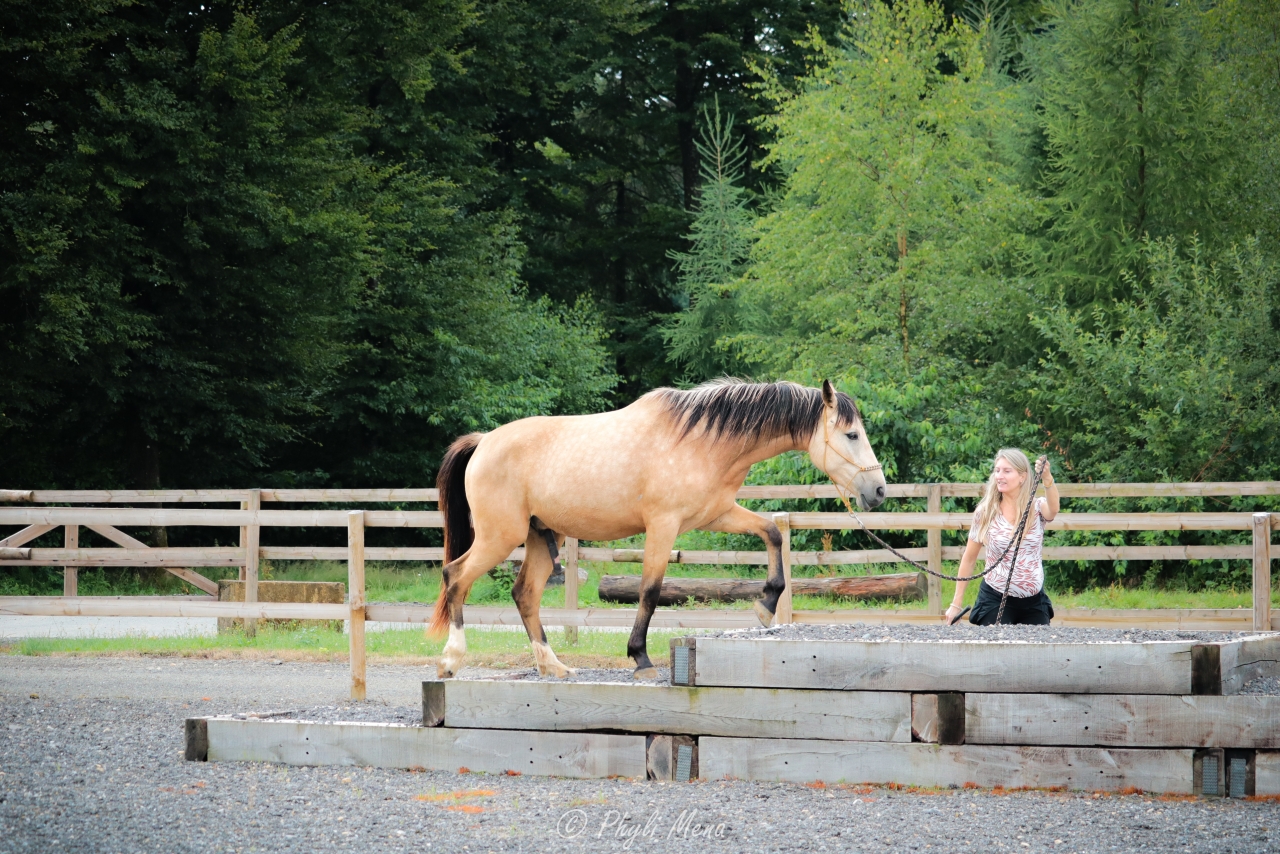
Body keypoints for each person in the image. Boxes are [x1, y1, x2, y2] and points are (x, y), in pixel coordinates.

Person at [944, 449, 1059, 626]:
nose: (999, 476)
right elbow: (969, 558)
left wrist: (1047, 478)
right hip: (995, 599)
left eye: (1007, 471)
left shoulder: (1036, 507)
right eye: (997, 470)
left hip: (1034, 601)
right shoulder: (985, 512)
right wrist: (955, 605)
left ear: (1022, 477)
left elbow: (1054, 509)